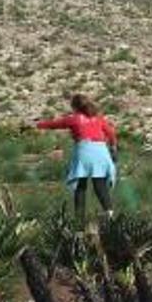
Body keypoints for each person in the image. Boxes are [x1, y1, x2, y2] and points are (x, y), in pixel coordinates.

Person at [36, 94, 118, 222]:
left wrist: (38, 125)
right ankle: (110, 215)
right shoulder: (98, 118)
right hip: (101, 152)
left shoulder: (74, 119)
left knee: (80, 186)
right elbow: (111, 133)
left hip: (84, 152)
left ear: (74, 107)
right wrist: (113, 148)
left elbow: (54, 124)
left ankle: (79, 223)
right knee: (100, 184)